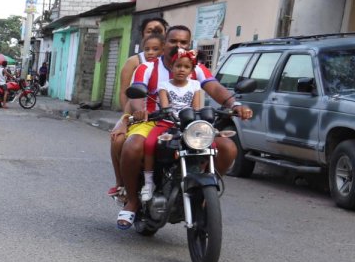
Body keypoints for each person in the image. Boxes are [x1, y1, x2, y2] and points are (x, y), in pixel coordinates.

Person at [116, 24, 253, 229]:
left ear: (189, 45)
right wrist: (138, 110)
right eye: (173, 41)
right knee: (132, 146)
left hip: (191, 125)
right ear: (164, 45)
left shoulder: (195, 67)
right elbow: (137, 92)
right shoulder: (148, 67)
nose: (177, 45)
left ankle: (206, 194)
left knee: (228, 148)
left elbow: (214, 87)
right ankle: (133, 200)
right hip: (154, 120)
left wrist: (235, 104)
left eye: (183, 42)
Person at [108, 17, 168, 197]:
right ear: (143, 35)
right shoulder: (135, 62)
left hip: (165, 117)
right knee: (118, 139)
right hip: (138, 113)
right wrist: (126, 117)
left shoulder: (175, 61)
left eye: (158, 30)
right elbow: (125, 92)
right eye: (150, 31)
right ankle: (122, 183)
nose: (154, 34)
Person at [140, 48, 204, 202]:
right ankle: (148, 183)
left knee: (211, 145)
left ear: (192, 70)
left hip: (189, 126)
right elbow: (165, 106)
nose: (182, 70)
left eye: (186, 67)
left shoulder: (196, 85)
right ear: (171, 67)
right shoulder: (164, 85)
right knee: (149, 144)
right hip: (167, 123)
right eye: (178, 66)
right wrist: (169, 113)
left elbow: (197, 108)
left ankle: (200, 179)